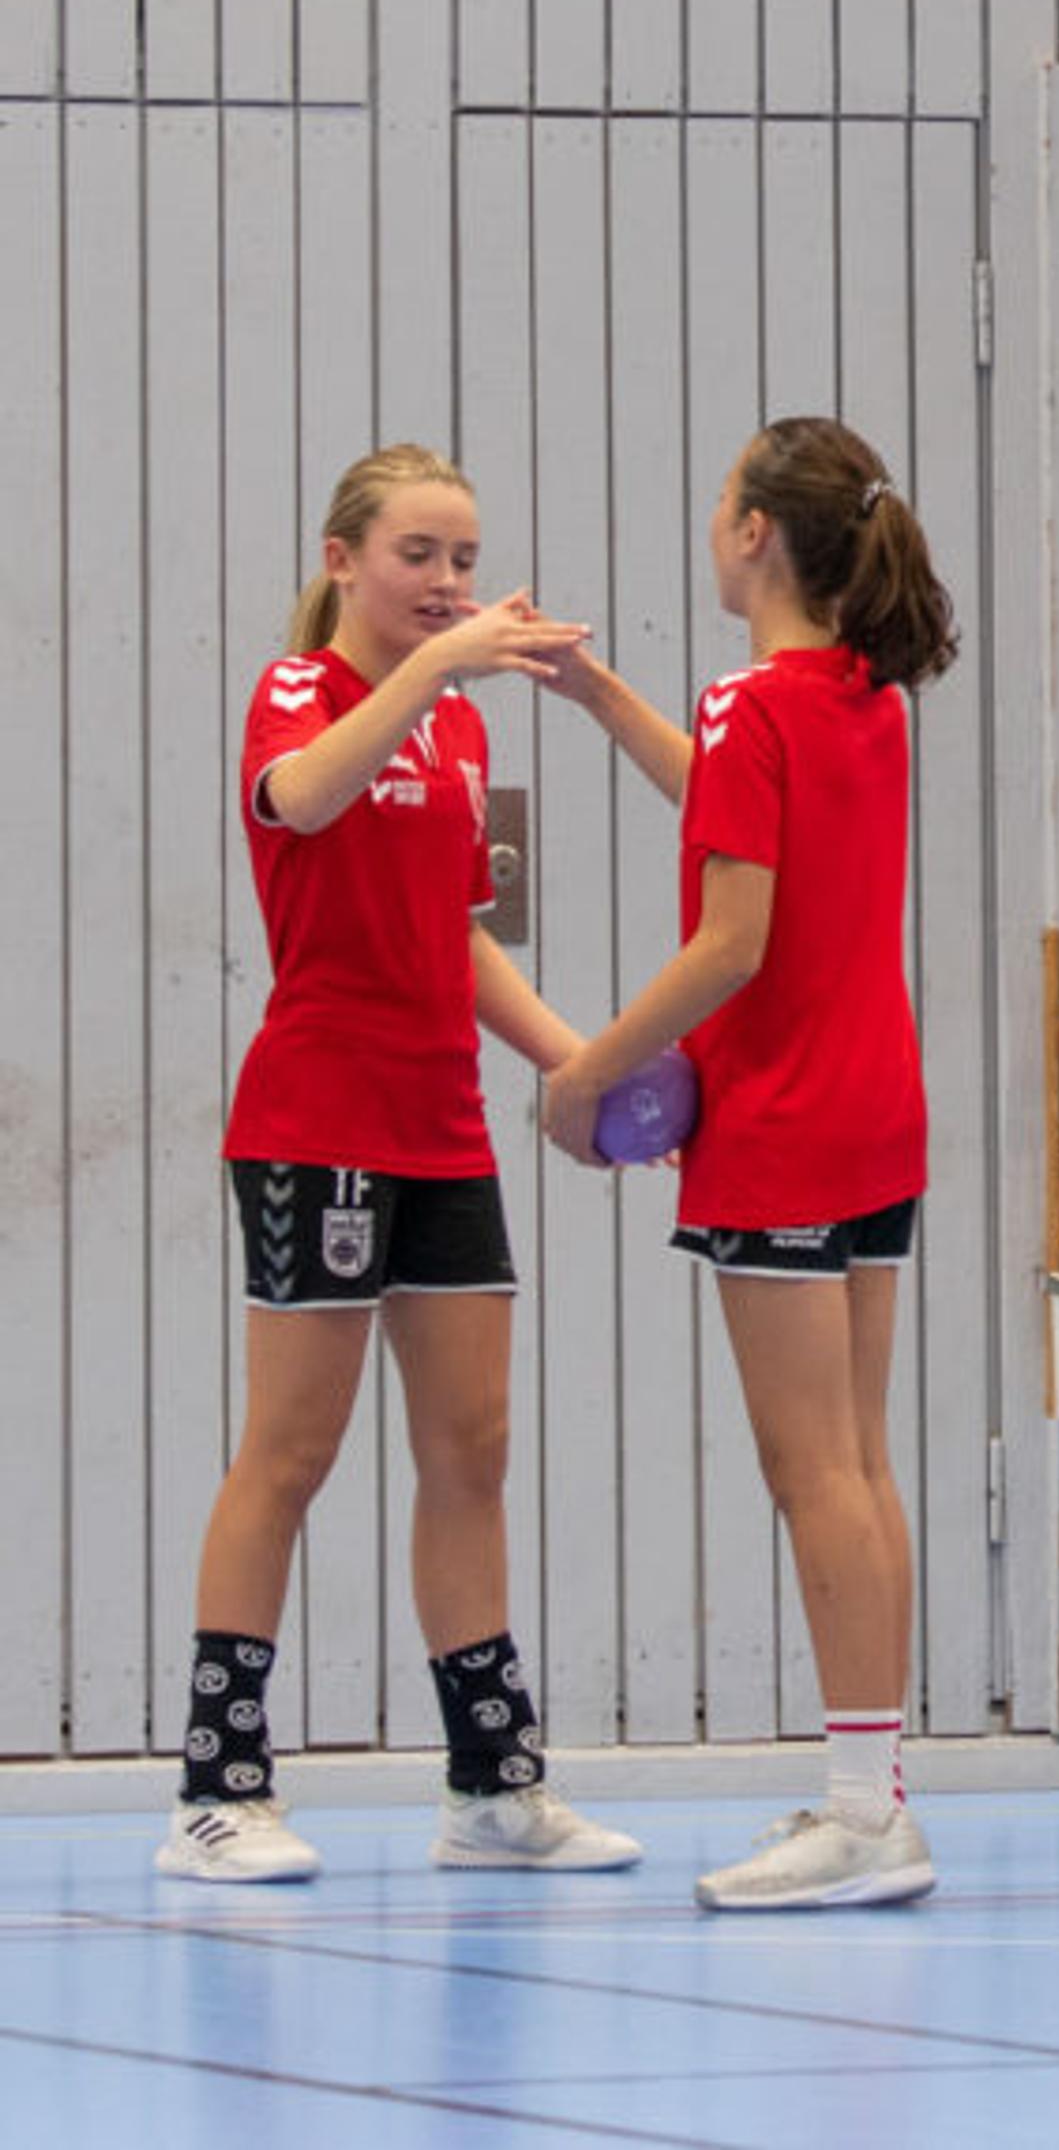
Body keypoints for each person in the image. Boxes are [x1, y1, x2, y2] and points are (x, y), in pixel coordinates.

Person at [169, 443, 644, 1885]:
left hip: (442, 1129)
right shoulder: (301, 693)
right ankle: (219, 1787)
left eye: (461, 558)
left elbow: (455, 936)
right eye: (417, 556)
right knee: (292, 1451)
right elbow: (301, 799)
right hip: (318, 1125)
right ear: (341, 560)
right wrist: (434, 673)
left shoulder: (457, 740)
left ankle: (492, 1785)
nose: (444, 583)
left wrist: (578, 1062)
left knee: (474, 1452)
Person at [541, 417, 955, 1914]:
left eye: (720, 498)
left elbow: (733, 935)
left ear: (755, 536)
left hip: (780, 1124)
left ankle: (859, 1817)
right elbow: (741, 795)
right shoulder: (861, 698)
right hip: (880, 1115)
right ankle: (876, 1789)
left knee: (811, 1470)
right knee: (861, 1456)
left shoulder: (752, 706)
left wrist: (583, 1073)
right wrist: (601, 698)